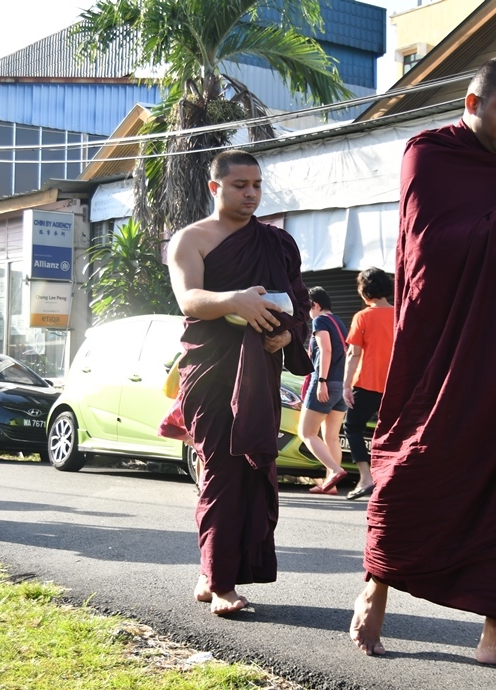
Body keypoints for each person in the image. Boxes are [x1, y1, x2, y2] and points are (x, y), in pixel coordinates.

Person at [348, 58, 496, 673]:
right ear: (472, 102)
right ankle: (376, 586)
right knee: (417, 462)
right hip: (438, 351)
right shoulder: (427, 153)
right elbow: (429, 248)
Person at [163, 149, 312, 615]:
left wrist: (287, 336)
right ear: (215, 187)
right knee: (221, 471)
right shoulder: (191, 239)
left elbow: (299, 304)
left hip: (259, 372)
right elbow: (189, 298)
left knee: (251, 474)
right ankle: (221, 584)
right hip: (210, 371)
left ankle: (211, 573)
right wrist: (234, 300)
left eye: (256, 185)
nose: (250, 194)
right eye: (239, 185)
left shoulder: (278, 243)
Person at [342, 268, 394, 500]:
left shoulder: (362, 317)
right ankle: (390, 478)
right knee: (392, 432)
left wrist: (345, 386)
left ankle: (365, 478)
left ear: (364, 291)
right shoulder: (400, 315)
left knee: (352, 427)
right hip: (394, 385)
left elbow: (353, 354)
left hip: (367, 383)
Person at [298, 286, 350, 495]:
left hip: (326, 382)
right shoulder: (339, 322)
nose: (307, 312)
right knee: (331, 437)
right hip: (341, 384)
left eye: (307, 307)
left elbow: (326, 350)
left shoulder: (320, 321)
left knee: (306, 433)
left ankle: (335, 471)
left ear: (315, 305)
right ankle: (331, 485)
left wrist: (321, 381)